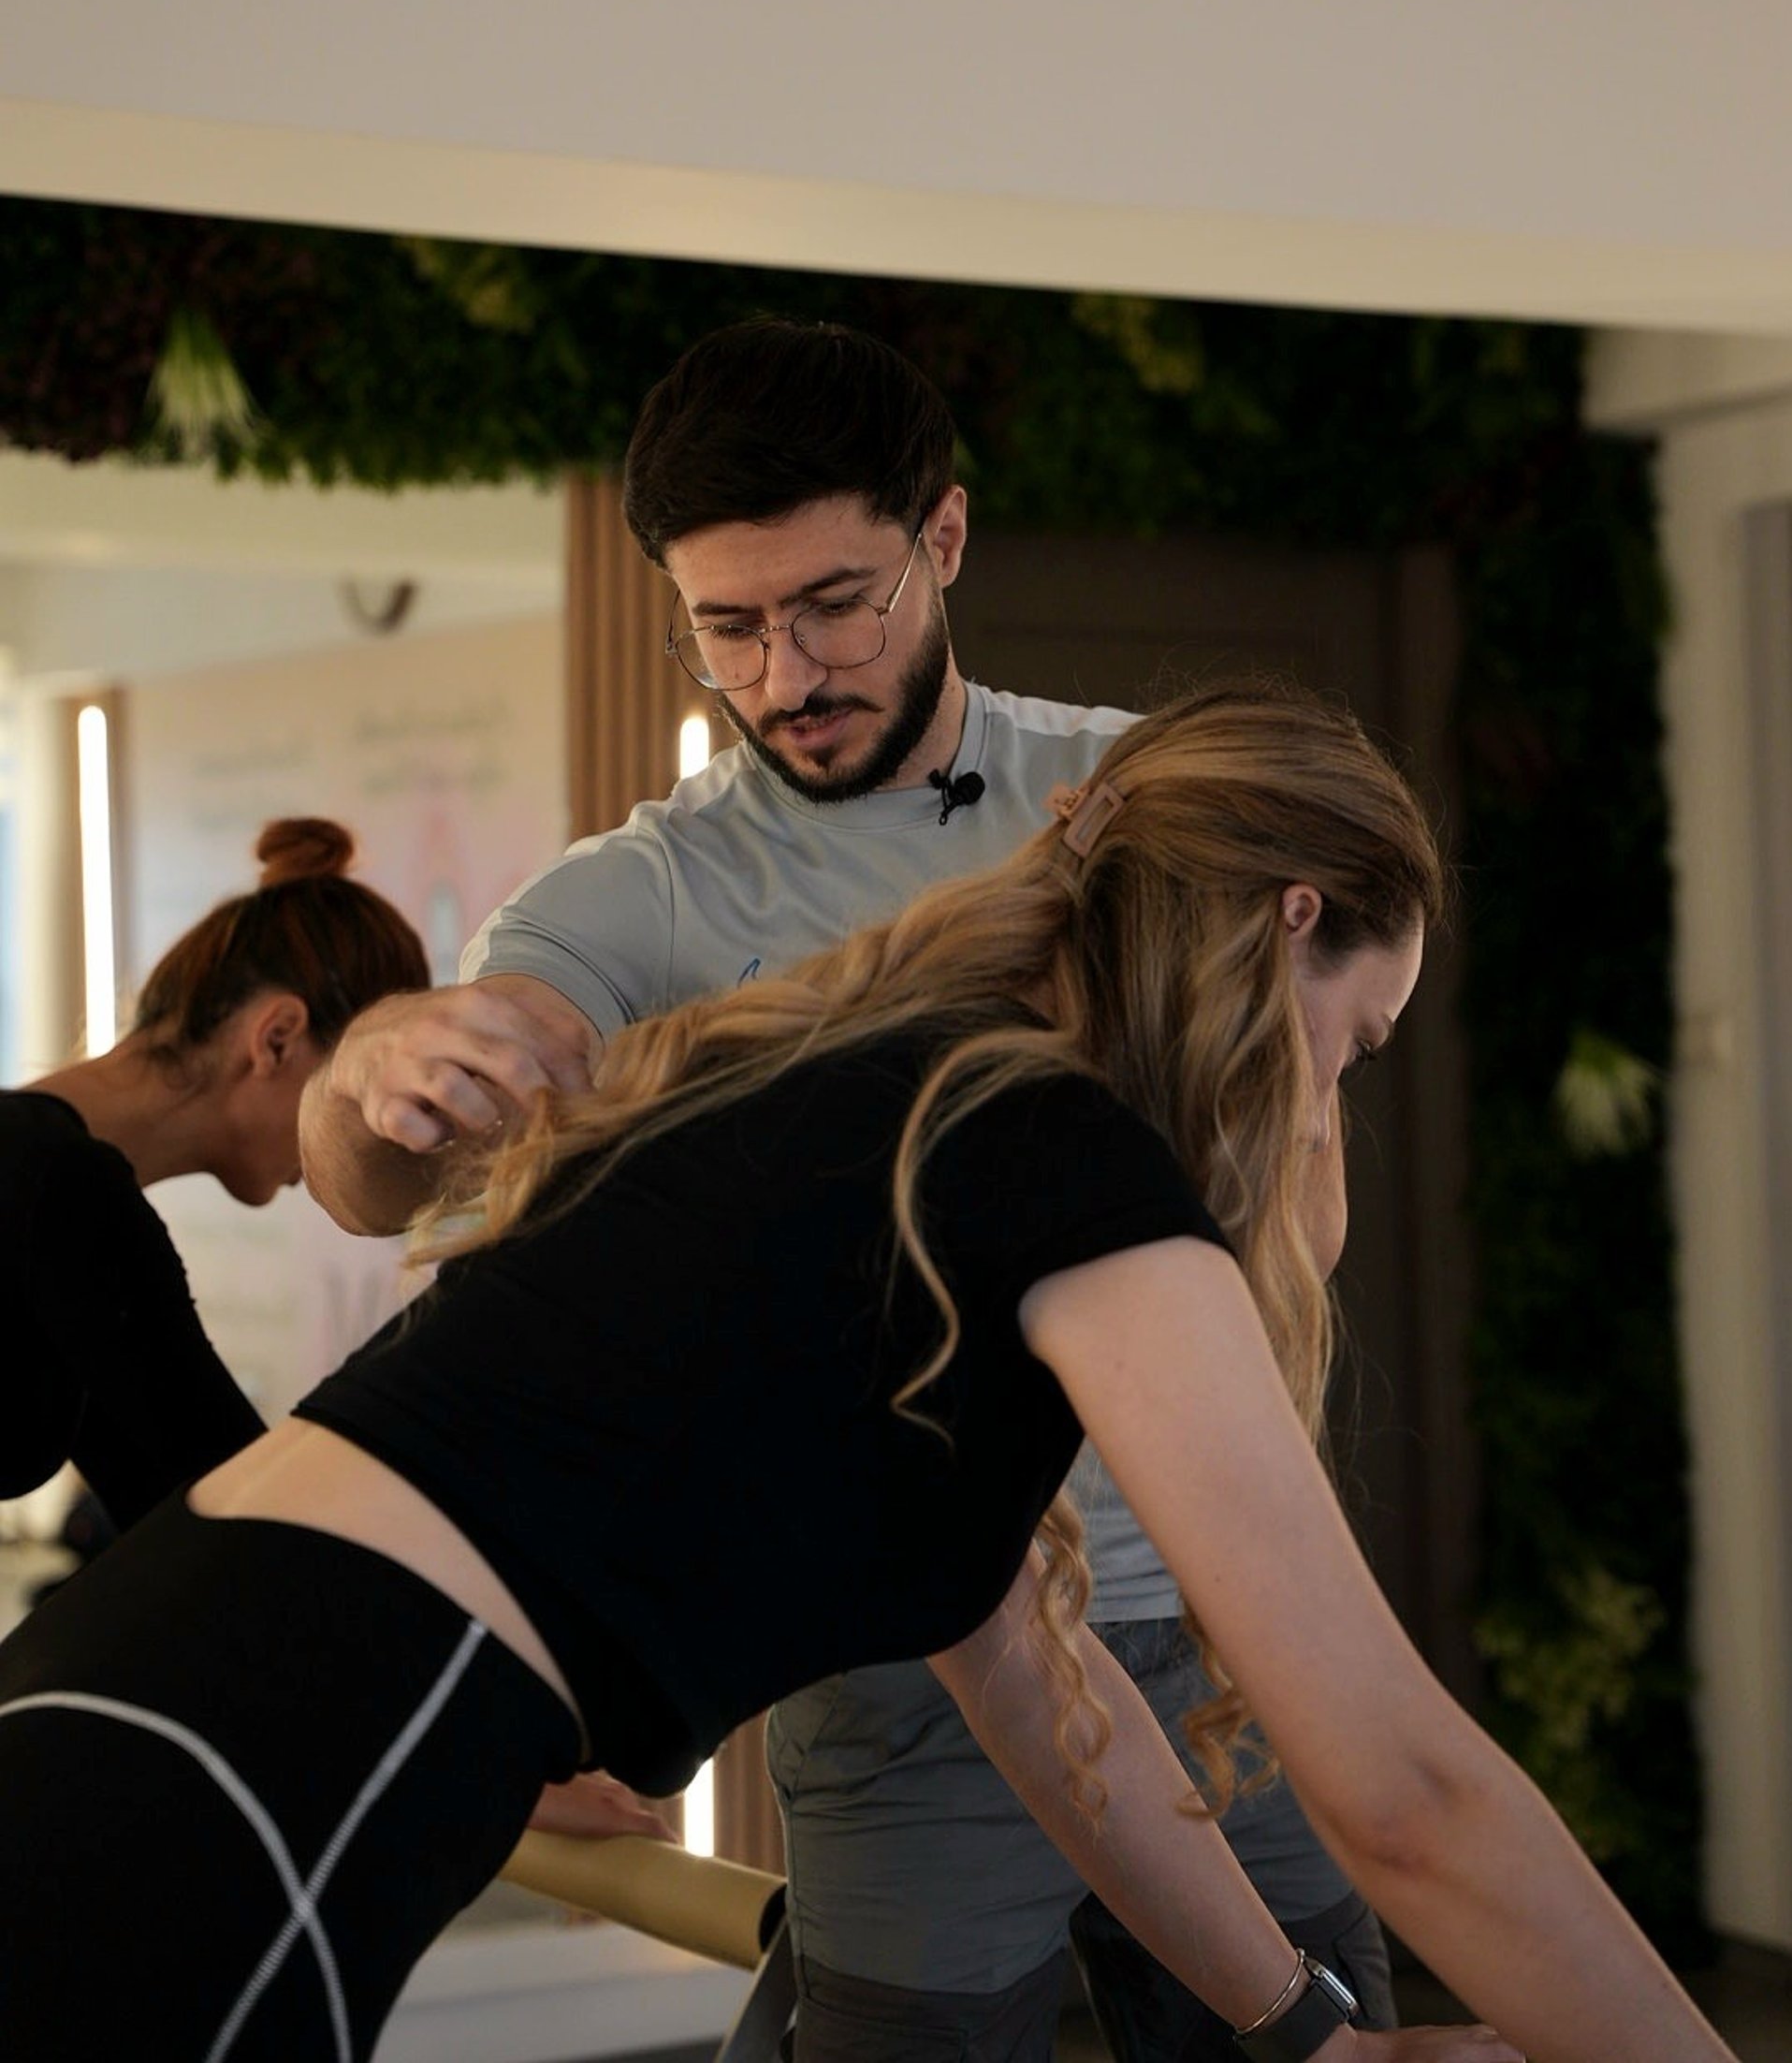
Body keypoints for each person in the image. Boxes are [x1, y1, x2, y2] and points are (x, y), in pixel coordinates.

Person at [0, 686, 1736, 2063]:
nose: (1330, 1104)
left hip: (156, 1703)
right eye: (1355, 1044)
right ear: (1291, 927)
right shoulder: (1052, 1154)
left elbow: (1054, 1710)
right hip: (233, 1785)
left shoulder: (905, 1109)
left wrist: (1305, 2035)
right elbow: (1407, 1796)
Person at [301, 319, 1395, 2060]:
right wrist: (376, 1074)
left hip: (1222, 1611)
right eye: (728, 626)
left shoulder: (1150, 806)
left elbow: (1303, 1207)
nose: (784, 672)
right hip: (902, 1662)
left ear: (942, 538)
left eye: (834, 605)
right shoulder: (642, 895)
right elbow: (371, 1184)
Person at [0, 817, 429, 1534]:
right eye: (357, 1097)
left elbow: (172, 1497)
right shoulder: (63, 1188)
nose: (369, 1138)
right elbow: (230, 1520)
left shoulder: (47, 1181)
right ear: (277, 1039)